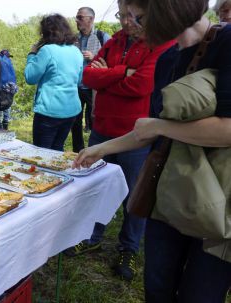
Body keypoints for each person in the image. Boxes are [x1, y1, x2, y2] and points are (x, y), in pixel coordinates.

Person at [74, 0, 231, 300]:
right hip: (168, 193)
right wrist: (101, 149)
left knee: (200, 293)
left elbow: (227, 128)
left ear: (168, 8)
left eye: (140, 16)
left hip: (218, 201)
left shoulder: (226, 42)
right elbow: (148, 129)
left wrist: (162, 128)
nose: (133, 24)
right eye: (129, 16)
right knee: (157, 286)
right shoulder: (166, 59)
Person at [63, 0, 175, 282]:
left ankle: (129, 248)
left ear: (151, 14)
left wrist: (107, 74)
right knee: (97, 186)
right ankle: (93, 235)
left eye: (132, 16)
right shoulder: (115, 41)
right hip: (103, 128)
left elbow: (143, 85)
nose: (126, 22)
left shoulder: (161, 44)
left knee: (135, 197)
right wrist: (121, 72)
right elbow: (88, 76)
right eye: (122, 15)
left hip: (136, 136)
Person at [24, 14, 83, 151]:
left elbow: (30, 77)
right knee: (57, 149)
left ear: (46, 32)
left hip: (49, 111)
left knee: (42, 153)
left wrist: (32, 54)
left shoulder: (47, 50)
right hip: (71, 110)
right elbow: (78, 80)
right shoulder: (76, 51)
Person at [70, 7, 110, 153]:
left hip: (94, 88)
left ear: (91, 19)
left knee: (95, 120)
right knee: (75, 121)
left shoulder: (103, 37)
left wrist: (94, 57)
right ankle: (77, 152)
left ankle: (94, 153)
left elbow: (113, 62)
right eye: (76, 17)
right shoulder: (73, 39)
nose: (77, 20)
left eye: (80, 17)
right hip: (76, 86)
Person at [0, 49, 18, 130]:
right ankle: (5, 124)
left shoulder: (0, 61)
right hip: (10, 88)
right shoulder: (8, 63)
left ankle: (0, 123)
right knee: (7, 105)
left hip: (2, 88)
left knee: (0, 104)